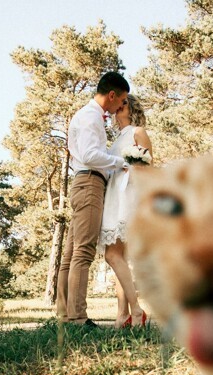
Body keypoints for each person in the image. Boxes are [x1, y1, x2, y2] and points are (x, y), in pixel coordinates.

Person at [56, 72, 130, 327]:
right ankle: (77, 318)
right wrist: (122, 162)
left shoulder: (91, 116)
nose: (121, 106)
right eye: (121, 101)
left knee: (71, 253)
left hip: (83, 182)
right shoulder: (90, 117)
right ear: (112, 95)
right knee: (83, 251)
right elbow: (89, 154)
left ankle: (64, 315)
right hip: (89, 183)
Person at [99, 94, 152, 328]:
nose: (119, 106)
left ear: (131, 109)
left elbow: (148, 169)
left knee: (112, 255)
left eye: (125, 103)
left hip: (127, 196)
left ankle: (137, 310)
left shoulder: (137, 132)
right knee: (119, 257)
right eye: (118, 103)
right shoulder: (116, 138)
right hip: (113, 195)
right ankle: (122, 315)